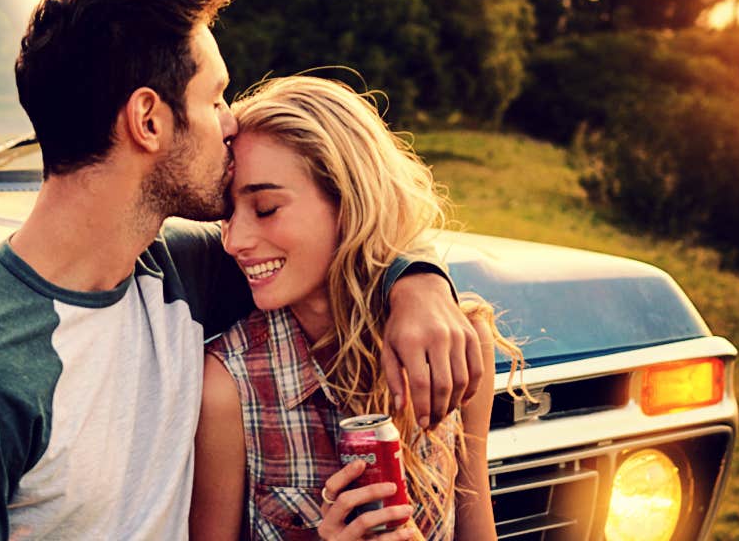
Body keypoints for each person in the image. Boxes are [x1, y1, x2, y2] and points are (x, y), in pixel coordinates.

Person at [0, 0, 483, 541]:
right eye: (214, 98)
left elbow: (347, 242)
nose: (231, 122)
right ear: (149, 120)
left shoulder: (181, 269)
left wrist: (418, 283)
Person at [190, 76, 527, 540]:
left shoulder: (456, 341)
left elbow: (475, 525)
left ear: (349, 203)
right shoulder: (229, 386)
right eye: (227, 215)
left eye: (265, 208)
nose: (235, 241)